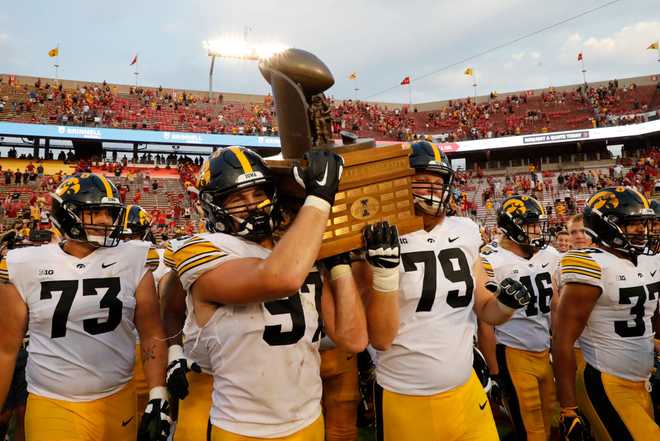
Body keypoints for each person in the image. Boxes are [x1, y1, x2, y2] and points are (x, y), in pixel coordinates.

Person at [166, 146, 368, 440]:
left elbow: (354, 339)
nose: (252, 205)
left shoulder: (298, 252)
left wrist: (338, 264)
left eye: (258, 194)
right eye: (237, 198)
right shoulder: (202, 249)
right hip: (241, 427)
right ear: (213, 205)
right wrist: (320, 199)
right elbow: (278, 277)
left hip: (308, 419)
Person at [361, 141, 531, 441]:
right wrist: (384, 272)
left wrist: (506, 303)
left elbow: (485, 308)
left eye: (438, 182)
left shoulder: (464, 229)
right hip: (407, 396)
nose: (433, 189)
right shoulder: (380, 236)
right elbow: (381, 338)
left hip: (465, 389)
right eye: (422, 180)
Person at [0, 173, 171, 441]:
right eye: (95, 212)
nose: (106, 220)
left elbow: (151, 331)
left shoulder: (134, 257)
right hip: (53, 400)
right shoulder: (24, 264)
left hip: (119, 397)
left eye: (110, 213)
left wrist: (157, 392)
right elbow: (5, 349)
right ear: (68, 214)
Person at [553, 187, 660, 440]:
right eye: (632, 224)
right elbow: (562, 339)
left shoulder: (649, 261)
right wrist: (568, 408)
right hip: (606, 381)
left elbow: (650, 316)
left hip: (642, 380)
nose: (641, 230)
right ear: (608, 226)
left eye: (643, 223)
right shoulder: (591, 264)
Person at [479, 195, 560, 440]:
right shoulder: (492, 261)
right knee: (530, 427)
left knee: (551, 419)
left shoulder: (550, 255)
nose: (538, 231)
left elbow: (555, 302)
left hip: (543, 349)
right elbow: (486, 321)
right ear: (512, 228)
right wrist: (494, 371)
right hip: (512, 351)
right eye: (531, 225)